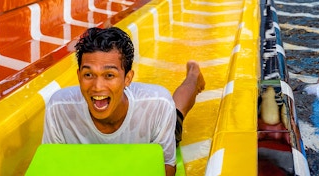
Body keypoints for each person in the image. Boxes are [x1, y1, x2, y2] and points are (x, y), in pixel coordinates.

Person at [42, 26, 205, 176]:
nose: (97, 87)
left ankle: (193, 76)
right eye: (88, 75)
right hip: (93, 164)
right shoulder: (59, 108)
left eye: (109, 75)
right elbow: (52, 166)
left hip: (143, 150)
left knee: (177, 111)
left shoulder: (156, 105)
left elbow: (166, 167)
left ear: (127, 78)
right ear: (78, 76)